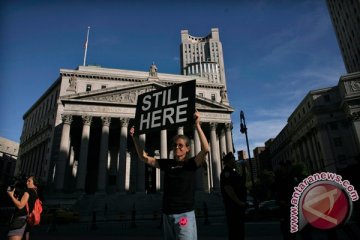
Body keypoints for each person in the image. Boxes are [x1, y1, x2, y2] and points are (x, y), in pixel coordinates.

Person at [130, 111, 209, 240]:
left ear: (187, 148)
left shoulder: (191, 164)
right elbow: (143, 157)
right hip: (167, 214)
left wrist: (197, 125)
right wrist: (134, 138)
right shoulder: (167, 164)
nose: (177, 147)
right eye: (175, 145)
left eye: (181, 145)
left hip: (184, 214)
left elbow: (206, 149)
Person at [220, 152, 247, 240]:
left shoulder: (234, 173)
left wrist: (243, 168)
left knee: (240, 232)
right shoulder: (226, 173)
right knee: (235, 233)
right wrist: (239, 202)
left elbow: (242, 183)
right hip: (233, 207)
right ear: (229, 161)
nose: (235, 161)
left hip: (238, 207)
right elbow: (229, 190)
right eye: (233, 160)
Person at [7, 176, 38, 240]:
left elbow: (20, 206)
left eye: (29, 181)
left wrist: (11, 196)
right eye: (27, 181)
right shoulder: (35, 192)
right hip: (27, 220)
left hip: (20, 220)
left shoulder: (28, 191)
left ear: (35, 183)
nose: (27, 183)